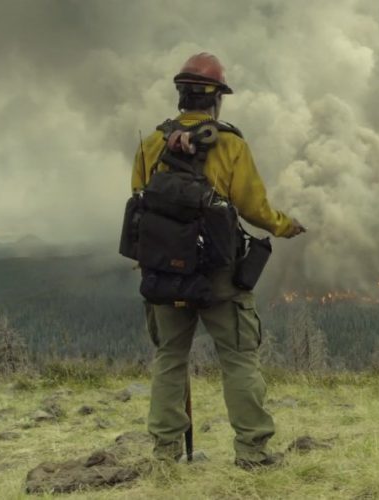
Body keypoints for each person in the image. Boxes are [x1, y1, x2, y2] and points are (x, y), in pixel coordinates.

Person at [130, 52, 305, 468]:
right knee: (239, 358)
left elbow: (139, 201)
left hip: (164, 275)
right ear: (216, 98)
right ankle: (252, 452)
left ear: (181, 95)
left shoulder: (151, 144)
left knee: (170, 358)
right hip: (218, 276)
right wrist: (284, 226)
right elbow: (253, 207)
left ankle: (165, 454)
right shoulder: (230, 144)